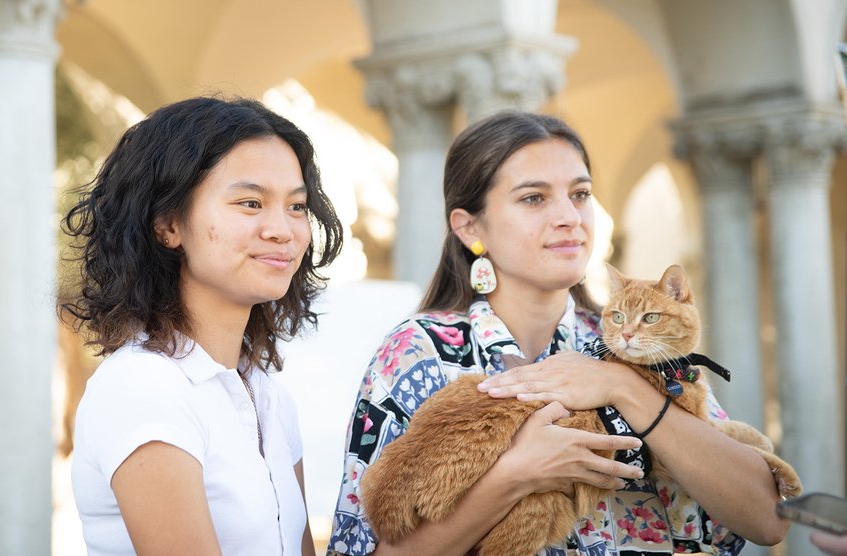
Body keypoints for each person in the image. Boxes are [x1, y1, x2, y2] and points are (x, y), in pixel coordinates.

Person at [327, 111, 789, 555]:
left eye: (581, 194)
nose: (570, 216)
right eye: (534, 198)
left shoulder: (635, 348)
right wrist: (515, 475)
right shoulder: (418, 352)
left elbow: (767, 519)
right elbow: (361, 549)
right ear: (470, 228)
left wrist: (623, 386)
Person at [62, 96, 343, 555]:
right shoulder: (144, 386)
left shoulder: (269, 396)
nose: (283, 230)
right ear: (168, 225)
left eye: (296, 206)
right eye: (250, 203)